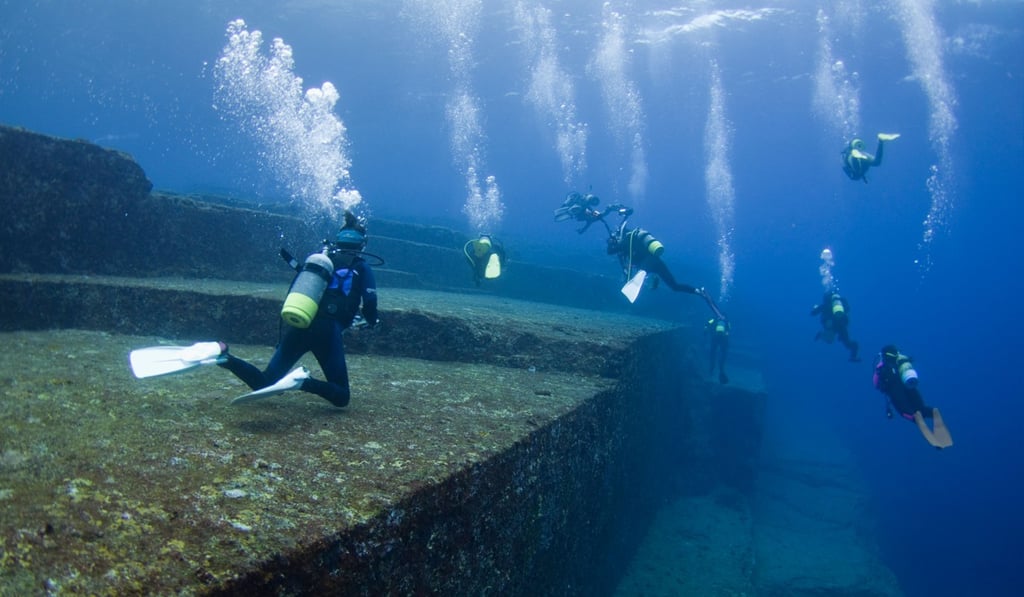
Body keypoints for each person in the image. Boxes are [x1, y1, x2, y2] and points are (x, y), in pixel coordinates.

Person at [217, 210, 379, 407]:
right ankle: (303, 382)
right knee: (342, 396)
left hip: (300, 320)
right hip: (327, 331)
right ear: (362, 244)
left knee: (265, 382)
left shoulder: (321, 262)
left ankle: (223, 357)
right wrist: (371, 321)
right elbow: (369, 303)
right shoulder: (361, 267)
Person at [555, 192, 724, 318]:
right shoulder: (625, 241)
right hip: (656, 262)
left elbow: (614, 248)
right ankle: (699, 291)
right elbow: (612, 251)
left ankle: (643, 275)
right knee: (674, 286)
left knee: (644, 271)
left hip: (648, 263)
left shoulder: (625, 239)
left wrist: (614, 241)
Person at [873, 345, 953, 449]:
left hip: (896, 394)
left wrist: (878, 371)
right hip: (910, 388)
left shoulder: (882, 366)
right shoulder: (902, 361)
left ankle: (934, 439)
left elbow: (876, 385)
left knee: (912, 415)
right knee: (923, 410)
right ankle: (936, 417)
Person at [811, 290, 860, 362]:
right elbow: (847, 309)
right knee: (848, 343)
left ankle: (821, 334)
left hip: (831, 327)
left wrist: (815, 308)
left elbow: (813, 313)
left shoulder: (825, 305)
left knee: (829, 340)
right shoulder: (841, 302)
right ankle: (854, 356)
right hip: (841, 326)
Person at [705, 315, 730, 385]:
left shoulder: (714, 319)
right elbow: (729, 329)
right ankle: (721, 369)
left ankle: (711, 369)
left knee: (712, 353)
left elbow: (707, 323)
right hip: (723, 339)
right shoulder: (726, 320)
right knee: (723, 354)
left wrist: (706, 330)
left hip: (715, 338)